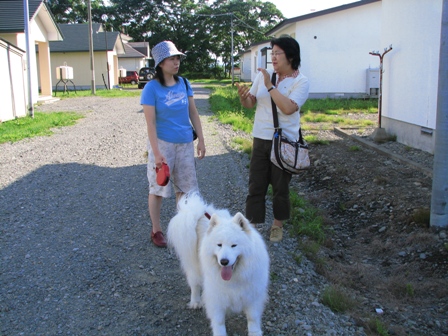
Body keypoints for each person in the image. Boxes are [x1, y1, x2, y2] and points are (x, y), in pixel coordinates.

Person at [236, 36, 309, 242]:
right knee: (256, 184)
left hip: (285, 141)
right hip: (261, 136)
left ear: (291, 57)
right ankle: (252, 225)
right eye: (272, 53)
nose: (273, 57)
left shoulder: (301, 81)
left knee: (280, 187)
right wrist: (244, 97)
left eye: (278, 53)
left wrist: (270, 86)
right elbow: (251, 103)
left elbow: (287, 108)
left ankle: (277, 225)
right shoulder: (264, 76)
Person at [141, 40, 206, 247]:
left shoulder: (185, 83)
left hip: (185, 143)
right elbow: (150, 123)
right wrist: (157, 152)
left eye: (178, 58)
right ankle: (156, 230)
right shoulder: (151, 88)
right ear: (160, 63)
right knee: (158, 187)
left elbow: (193, 113)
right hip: (163, 144)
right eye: (172, 58)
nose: (176, 62)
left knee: (186, 189)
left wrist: (202, 140)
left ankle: (183, 229)